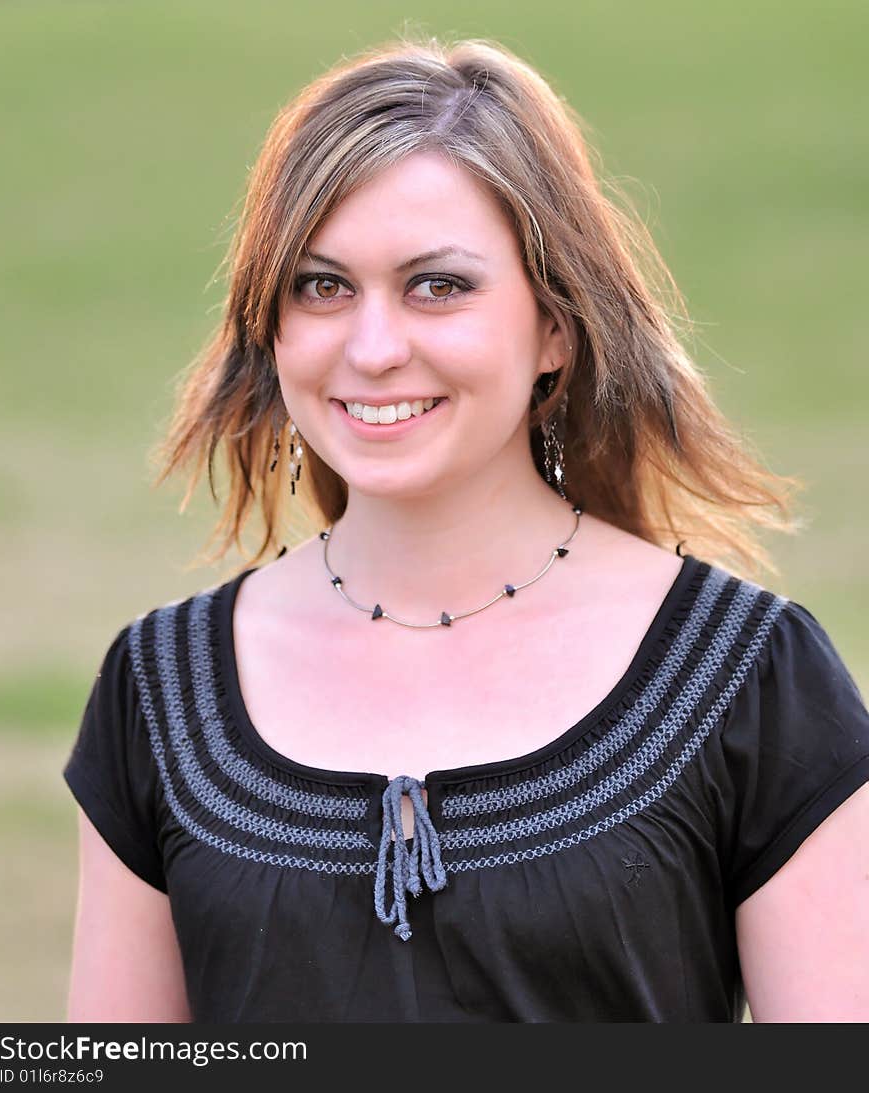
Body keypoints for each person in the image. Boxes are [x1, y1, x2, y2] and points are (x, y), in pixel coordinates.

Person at [62, 35, 869, 1023]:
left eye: (437, 285)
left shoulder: (750, 674)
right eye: (321, 286)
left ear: (555, 327)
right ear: (269, 328)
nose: (372, 347)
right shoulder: (160, 688)